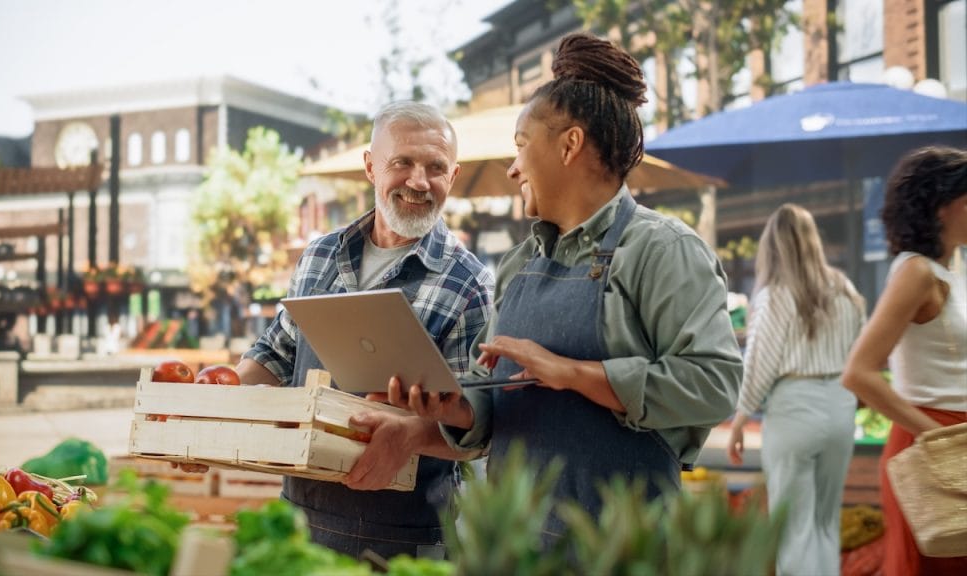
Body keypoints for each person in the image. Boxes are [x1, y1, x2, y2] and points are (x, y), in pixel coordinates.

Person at [367, 32, 742, 544]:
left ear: (570, 144)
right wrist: (448, 405)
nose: (512, 166)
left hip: (624, 549)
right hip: (519, 548)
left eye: (521, 145)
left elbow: (714, 386)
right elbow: (492, 399)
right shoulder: (520, 263)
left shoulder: (661, 249)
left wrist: (571, 373)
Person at [235, 101, 495, 559]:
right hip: (300, 521)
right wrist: (204, 409)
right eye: (403, 163)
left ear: (452, 178)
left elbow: (481, 427)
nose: (419, 181)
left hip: (408, 539)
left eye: (436, 167)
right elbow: (275, 354)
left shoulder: (471, 285)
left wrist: (413, 433)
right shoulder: (320, 255)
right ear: (371, 167)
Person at [842, 146, 967, 576]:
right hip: (934, 440)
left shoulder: (954, 267)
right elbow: (858, 373)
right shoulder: (916, 273)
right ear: (944, 206)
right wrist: (936, 435)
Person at [726, 204, 865, 576]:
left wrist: (740, 419)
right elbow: (860, 350)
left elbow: (759, 364)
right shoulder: (845, 288)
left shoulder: (774, 295)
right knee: (825, 523)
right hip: (841, 407)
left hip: (795, 410)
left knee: (794, 529)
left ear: (772, 248)